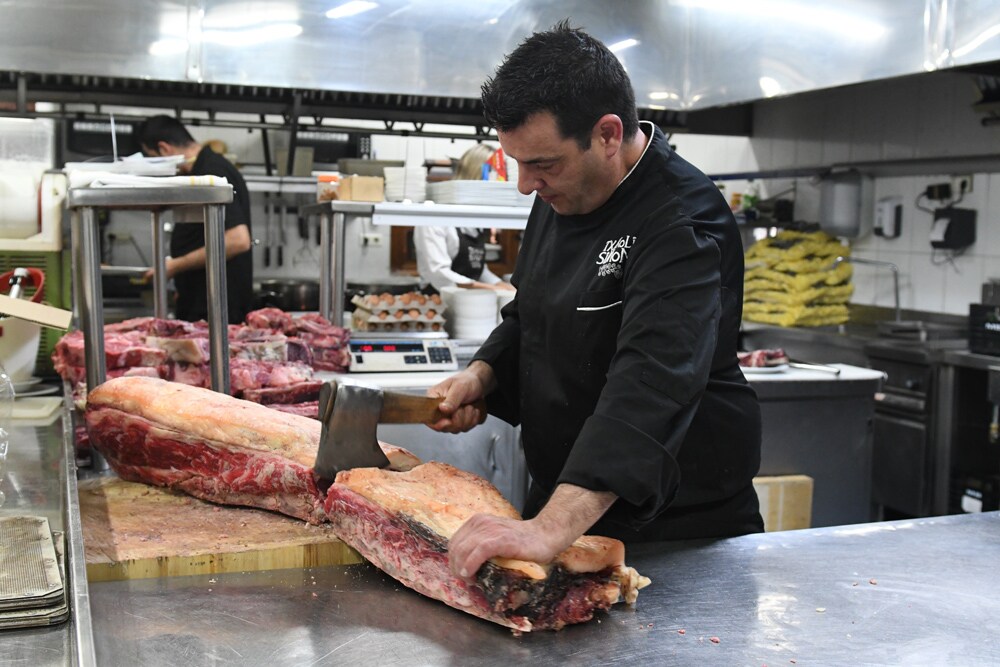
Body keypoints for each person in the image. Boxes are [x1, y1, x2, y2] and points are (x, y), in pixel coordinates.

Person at [429, 21, 764, 580]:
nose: (524, 184)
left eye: (542, 164)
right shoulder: (565, 190)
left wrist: (549, 528)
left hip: (676, 530)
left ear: (608, 134)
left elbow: (653, 381)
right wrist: (483, 375)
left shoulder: (683, 220)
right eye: (518, 162)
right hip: (567, 504)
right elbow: (529, 313)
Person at [136, 115, 254, 323]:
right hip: (203, 304)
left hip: (217, 312)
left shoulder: (212, 171)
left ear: (164, 149)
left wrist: (174, 267)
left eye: (152, 157)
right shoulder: (201, 170)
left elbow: (238, 240)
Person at [414, 143, 513, 291]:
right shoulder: (437, 216)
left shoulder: (475, 220)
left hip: (471, 303)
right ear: (476, 176)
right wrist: (489, 289)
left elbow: (478, 268)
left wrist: (501, 285)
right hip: (438, 302)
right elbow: (439, 274)